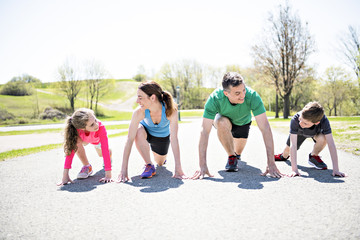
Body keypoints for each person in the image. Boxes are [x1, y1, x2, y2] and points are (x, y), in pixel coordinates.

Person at [192, 72, 282, 179]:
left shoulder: (252, 96)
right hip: (225, 121)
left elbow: (265, 128)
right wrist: (202, 165)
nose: (243, 95)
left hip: (243, 123)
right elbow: (204, 131)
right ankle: (231, 156)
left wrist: (271, 163)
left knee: (238, 152)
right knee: (221, 122)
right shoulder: (215, 98)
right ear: (226, 93)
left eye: (243, 90)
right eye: (237, 93)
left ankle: (236, 155)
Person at [117, 81, 186, 182]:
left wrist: (178, 168)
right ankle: (149, 165)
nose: (137, 101)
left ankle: (159, 157)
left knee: (160, 163)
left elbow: (174, 138)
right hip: (145, 133)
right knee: (138, 131)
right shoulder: (139, 112)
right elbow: (129, 139)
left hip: (162, 138)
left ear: (152, 98)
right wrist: (123, 171)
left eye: (140, 98)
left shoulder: (170, 110)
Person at [274, 102, 346, 177]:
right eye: (300, 119)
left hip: (315, 133)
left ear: (317, 123)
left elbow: (331, 144)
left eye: (305, 123)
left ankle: (313, 156)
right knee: (287, 151)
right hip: (299, 133)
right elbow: (293, 145)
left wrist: (336, 169)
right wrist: (294, 170)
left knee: (323, 138)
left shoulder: (324, 120)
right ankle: (283, 156)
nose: (301, 123)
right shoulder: (295, 120)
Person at [57, 108, 113, 186]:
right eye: (92, 124)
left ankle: (110, 153)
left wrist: (108, 175)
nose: (97, 124)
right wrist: (65, 175)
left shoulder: (100, 127)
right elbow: (70, 151)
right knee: (75, 143)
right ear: (82, 128)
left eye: (95, 120)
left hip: (97, 141)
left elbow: (105, 149)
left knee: (101, 154)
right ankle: (87, 166)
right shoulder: (76, 130)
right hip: (84, 139)